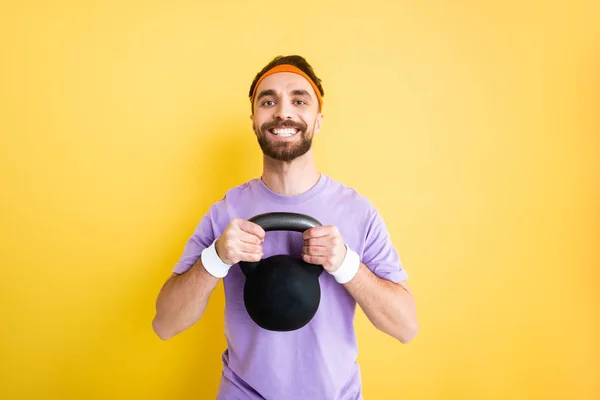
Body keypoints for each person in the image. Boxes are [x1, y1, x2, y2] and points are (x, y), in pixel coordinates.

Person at [152, 55, 419, 400]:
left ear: (318, 120)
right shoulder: (226, 213)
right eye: (268, 101)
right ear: (253, 120)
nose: (283, 112)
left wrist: (347, 266)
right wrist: (216, 258)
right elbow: (165, 324)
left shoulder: (357, 212)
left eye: (299, 100)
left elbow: (406, 327)